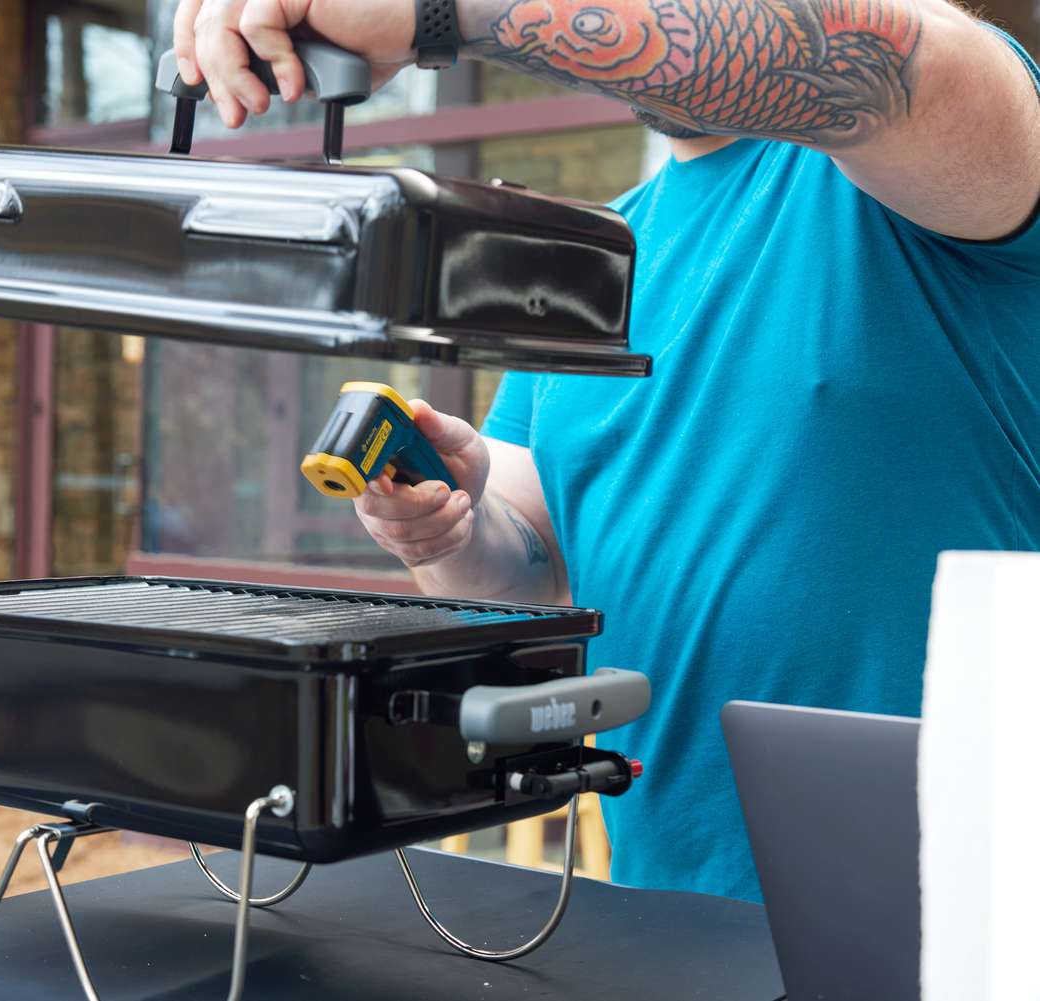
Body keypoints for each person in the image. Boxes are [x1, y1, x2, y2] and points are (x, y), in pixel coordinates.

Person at [172, 0, 1040, 901]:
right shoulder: (587, 259)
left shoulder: (935, 123)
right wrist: (447, 531)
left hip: (958, 920)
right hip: (665, 904)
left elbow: (879, 57)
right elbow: (535, 578)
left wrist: (435, 13)